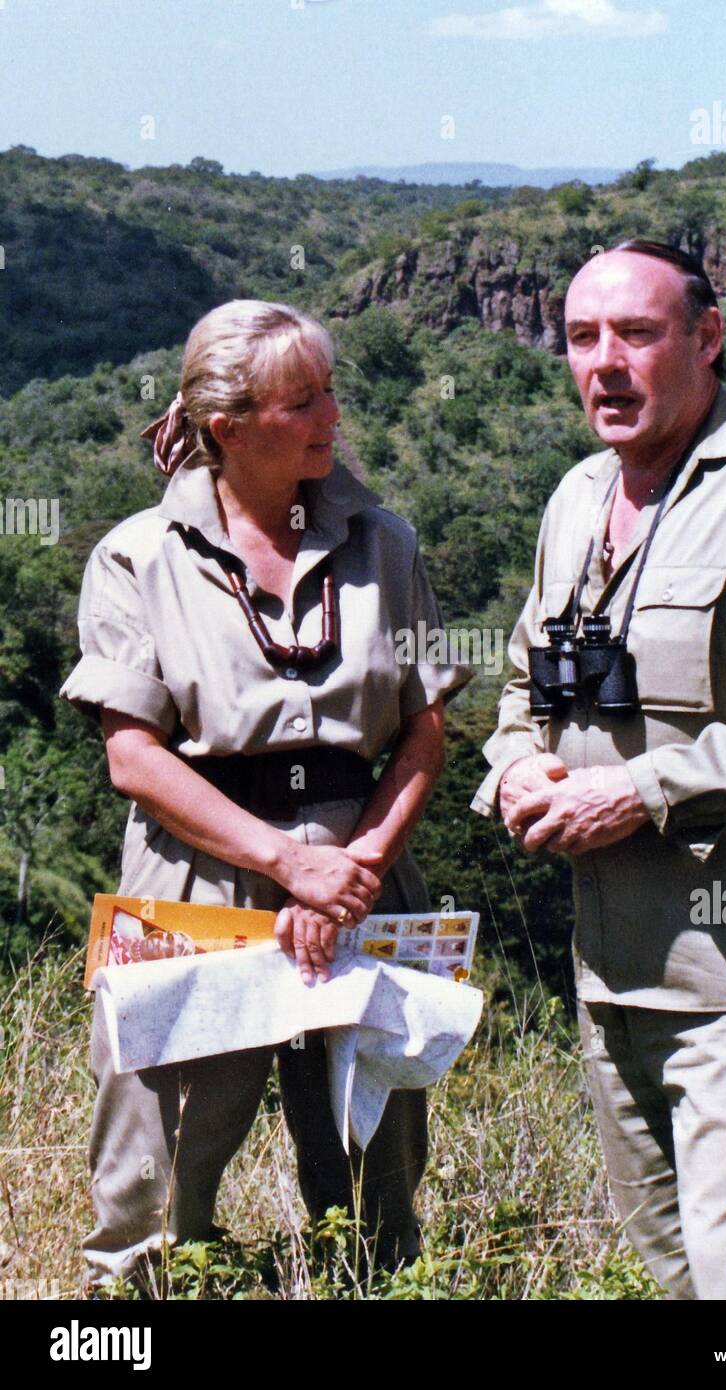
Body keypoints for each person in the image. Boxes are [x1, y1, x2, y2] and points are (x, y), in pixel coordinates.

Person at [471, 241, 726, 1300]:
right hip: (611, 971)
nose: (603, 364)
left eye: (636, 334)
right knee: (675, 1281)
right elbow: (526, 679)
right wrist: (515, 766)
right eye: (580, 338)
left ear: (704, 339)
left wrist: (645, 790)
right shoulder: (574, 497)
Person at [59, 298, 472, 1289]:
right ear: (226, 427)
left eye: (330, 390)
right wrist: (285, 861)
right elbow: (136, 757)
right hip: (195, 877)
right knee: (159, 1158)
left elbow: (423, 729)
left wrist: (355, 865)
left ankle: (370, 1285)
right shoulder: (138, 558)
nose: (330, 414)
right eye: (301, 400)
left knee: (374, 1145)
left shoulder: (385, 544)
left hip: (363, 866)